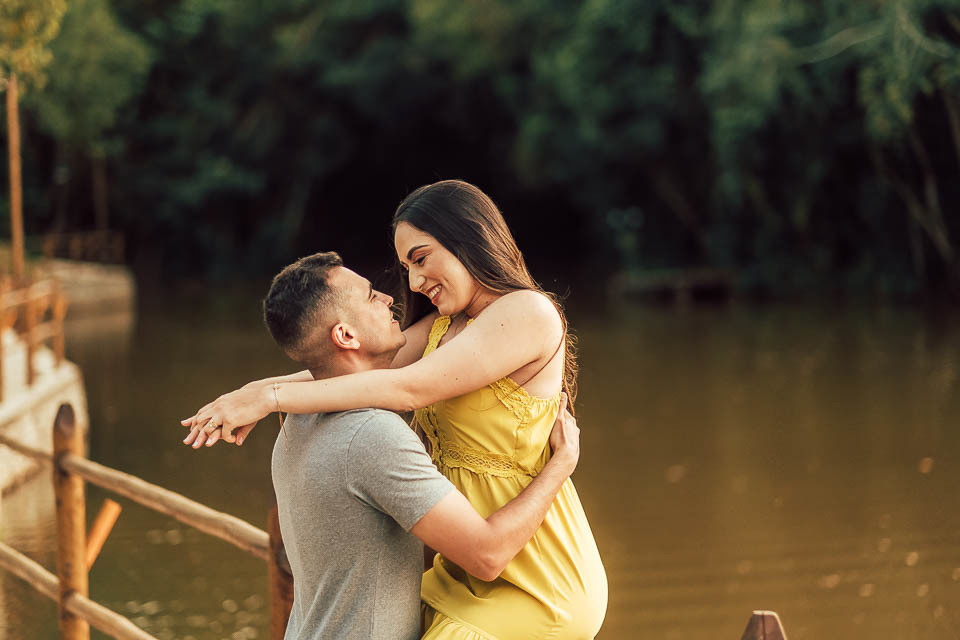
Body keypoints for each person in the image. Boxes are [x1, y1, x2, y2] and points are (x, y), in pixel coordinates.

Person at [183, 180, 608, 639]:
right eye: (407, 266)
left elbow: (407, 389)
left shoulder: (528, 312)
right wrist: (249, 393)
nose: (412, 283)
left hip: (533, 572)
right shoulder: (444, 328)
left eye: (421, 259)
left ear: (469, 238)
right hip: (463, 569)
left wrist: (270, 399)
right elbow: (347, 376)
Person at [229, 251, 581, 639]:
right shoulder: (372, 436)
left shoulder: (296, 425)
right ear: (345, 335)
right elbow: (487, 555)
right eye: (369, 296)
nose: (387, 297)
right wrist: (560, 465)